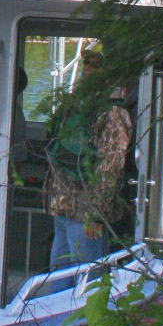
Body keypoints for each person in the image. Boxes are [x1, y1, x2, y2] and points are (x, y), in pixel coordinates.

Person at [46, 79, 133, 269]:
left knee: (59, 275)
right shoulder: (113, 113)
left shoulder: (74, 105)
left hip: (60, 201)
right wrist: (95, 214)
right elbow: (110, 167)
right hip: (85, 210)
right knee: (90, 277)